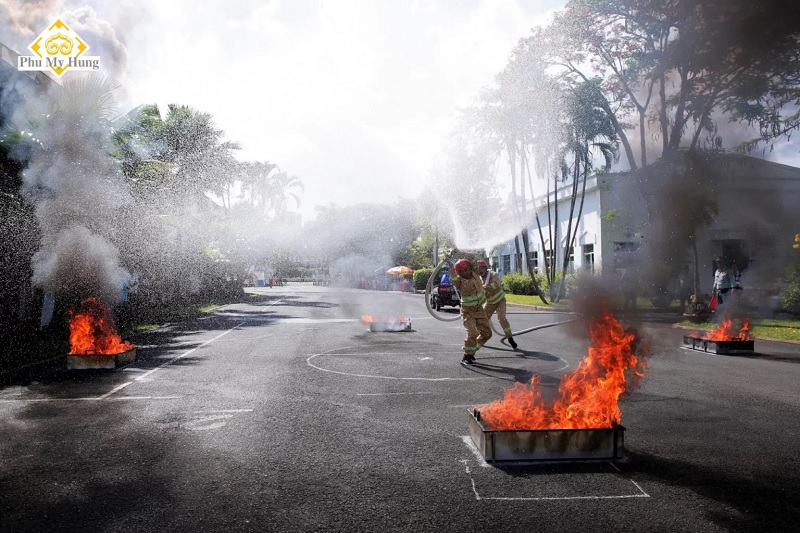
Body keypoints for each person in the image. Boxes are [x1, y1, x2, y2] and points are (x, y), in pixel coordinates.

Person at [451, 258, 492, 365]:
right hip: (467, 312)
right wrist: (449, 264)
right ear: (460, 272)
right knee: (472, 333)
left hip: (479, 310)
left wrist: (461, 253)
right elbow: (453, 276)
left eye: (468, 268)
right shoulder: (459, 281)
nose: (467, 271)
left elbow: (473, 259)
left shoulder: (475, 273)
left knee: (487, 333)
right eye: (463, 270)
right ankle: (466, 356)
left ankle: (472, 350)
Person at [476, 259, 518, 350]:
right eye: (478, 269)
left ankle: (510, 338)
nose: (480, 271)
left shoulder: (492, 275)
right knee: (482, 320)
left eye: (481, 268)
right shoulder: (478, 279)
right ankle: (480, 338)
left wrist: (486, 287)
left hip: (500, 301)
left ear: (485, 268)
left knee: (501, 318)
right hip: (490, 303)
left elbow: (496, 285)